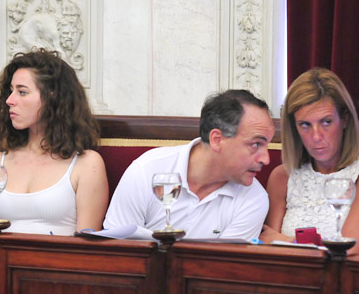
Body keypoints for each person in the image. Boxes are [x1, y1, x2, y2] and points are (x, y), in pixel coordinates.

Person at [104, 90, 274, 240]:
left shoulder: (254, 198)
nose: (265, 159)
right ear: (217, 140)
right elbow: (116, 251)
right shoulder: (148, 170)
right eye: (256, 144)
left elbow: (224, 269)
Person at [0, 49, 108, 234]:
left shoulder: (87, 164)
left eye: (22, 92)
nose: (9, 100)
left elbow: (86, 249)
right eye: (10, 91)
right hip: (1, 261)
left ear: (51, 96)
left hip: (59, 261)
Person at [260, 68, 359, 254]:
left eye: (326, 122)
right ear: (294, 128)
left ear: (344, 119)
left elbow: (346, 254)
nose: (316, 136)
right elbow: (268, 250)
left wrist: (284, 241)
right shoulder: (281, 177)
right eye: (305, 125)